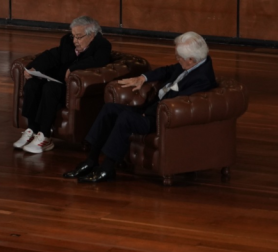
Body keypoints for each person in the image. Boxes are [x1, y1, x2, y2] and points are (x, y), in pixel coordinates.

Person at [65, 31, 217, 183]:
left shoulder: (202, 78)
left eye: (179, 57)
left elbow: (179, 103)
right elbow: (167, 70)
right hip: (152, 109)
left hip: (161, 118)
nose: (177, 59)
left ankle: (107, 168)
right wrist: (143, 77)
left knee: (126, 118)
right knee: (109, 109)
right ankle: (91, 160)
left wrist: (148, 112)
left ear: (191, 60)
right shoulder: (193, 62)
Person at [13, 16, 112, 153]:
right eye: (73, 36)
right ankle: (32, 129)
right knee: (32, 84)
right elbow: (53, 55)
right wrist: (34, 67)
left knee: (50, 88)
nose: (75, 40)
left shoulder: (102, 45)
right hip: (58, 80)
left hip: (73, 88)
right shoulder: (67, 41)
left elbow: (98, 61)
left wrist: (73, 68)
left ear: (92, 35)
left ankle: (45, 136)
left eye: (79, 37)